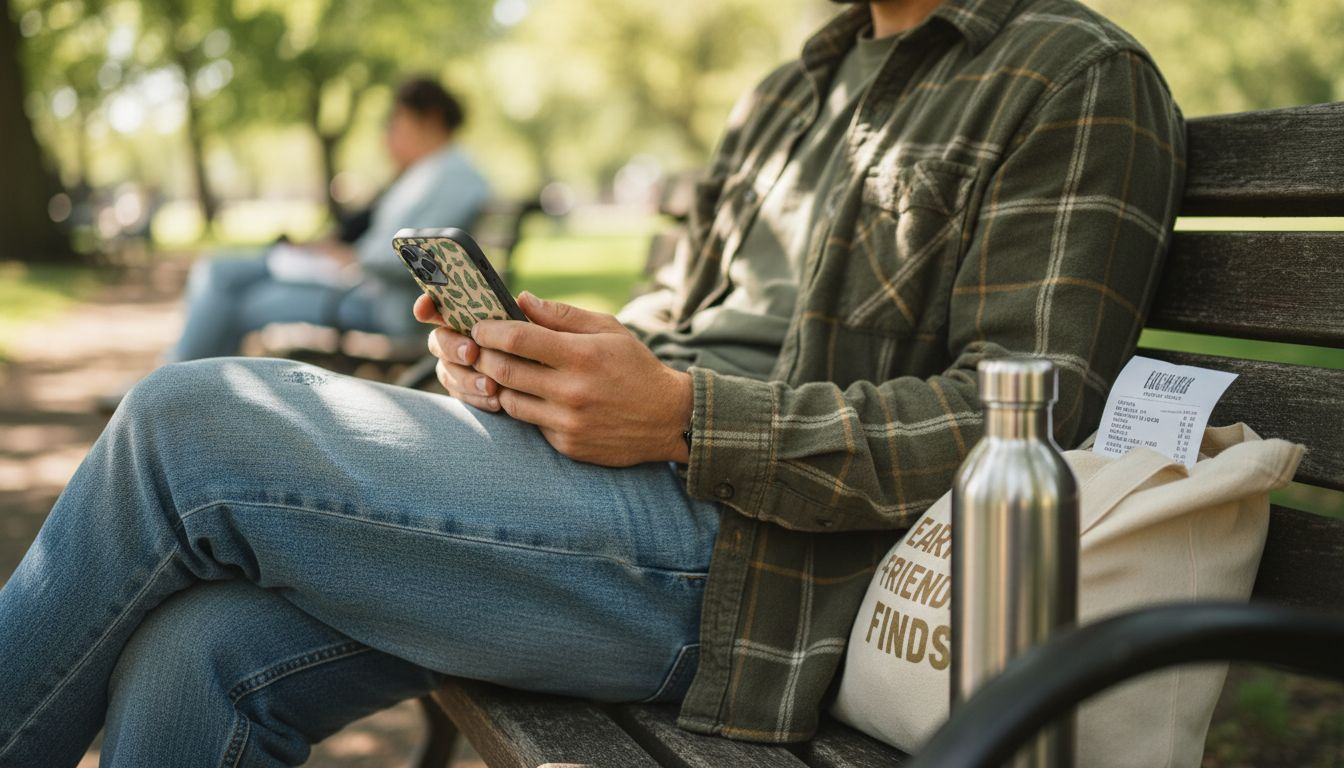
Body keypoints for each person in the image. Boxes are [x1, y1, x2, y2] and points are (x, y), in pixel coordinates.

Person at [0, 0, 1184, 763]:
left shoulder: (1071, 75)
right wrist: (540, 368)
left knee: (191, 422)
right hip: (603, 496)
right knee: (197, 652)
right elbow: (673, 318)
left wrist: (681, 417)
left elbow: (1021, 416)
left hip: (770, 560)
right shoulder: (791, 91)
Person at [166, 77, 490, 362]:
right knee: (219, 275)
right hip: (362, 287)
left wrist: (352, 257)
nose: (391, 133)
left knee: (237, 301)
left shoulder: (454, 176)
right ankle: (178, 386)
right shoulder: (428, 173)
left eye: (398, 121)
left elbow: (427, 255)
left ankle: (171, 387)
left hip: (383, 304)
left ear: (430, 118)